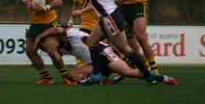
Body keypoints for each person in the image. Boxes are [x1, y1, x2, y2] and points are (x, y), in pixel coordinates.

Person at [66, 0, 174, 86]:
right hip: (111, 16)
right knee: (91, 42)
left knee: (125, 49)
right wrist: (114, 5)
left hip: (108, 17)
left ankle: (148, 74)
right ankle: (96, 75)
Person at [33, 26, 177, 85]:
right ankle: (103, 80)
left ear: (55, 39)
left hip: (103, 53)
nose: (54, 48)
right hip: (93, 63)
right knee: (74, 75)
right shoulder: (61, 47)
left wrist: (39, 36)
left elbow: (56, 29)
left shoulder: (69, 33)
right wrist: (40, 45)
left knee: (129, 72)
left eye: (52, 44)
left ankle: (161, 78)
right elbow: (54, 53)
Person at [12, 0, 77, 85]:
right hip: (35, 25)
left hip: (49, 25)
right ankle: (46, 77)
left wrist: (45, 8)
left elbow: (59, 1)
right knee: (30, 51)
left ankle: (65, 76)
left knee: (52, 51)